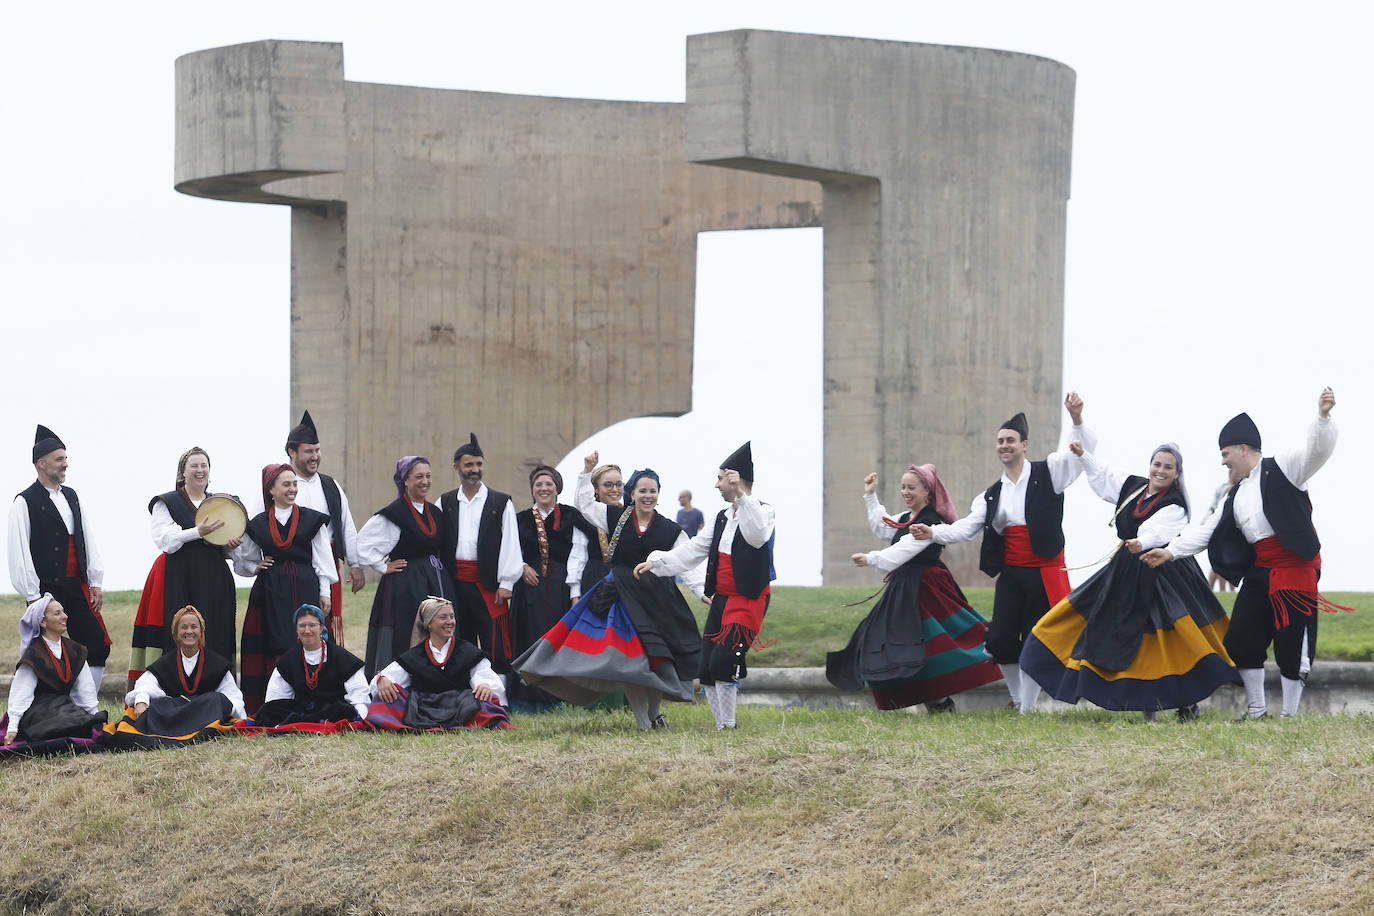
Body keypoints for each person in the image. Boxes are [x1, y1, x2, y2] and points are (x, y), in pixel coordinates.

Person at [1143, 389, 1345, 718]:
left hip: (1294, 569)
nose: (1222, 461)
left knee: (1291, 646)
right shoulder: (1234, 494)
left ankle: (1290, 716)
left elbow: (1316, 452)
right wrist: (1169, 552)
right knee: (1239, 641)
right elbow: (1208, 529)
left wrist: (1322, 418)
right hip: (1260, 570)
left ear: (1242, 449)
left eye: (1225, 454)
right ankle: (1256, 710)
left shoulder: (1284, 467)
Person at [1020, 442, 1239, 720]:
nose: (1160, 471)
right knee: (1069, 623)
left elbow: (1159, 531)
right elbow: (1104, 476)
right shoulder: (1134, 486)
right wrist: (1083, 455)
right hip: (1124, 571)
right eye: (1157, 464)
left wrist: (1141, 541)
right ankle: (1026, 708)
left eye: (1168, 467)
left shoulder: (1176, 505)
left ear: (1176, 474)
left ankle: (1183, 704)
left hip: (1166, 571)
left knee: (1170, 642)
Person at [913, 393, 1096, 713]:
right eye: (1000, 441)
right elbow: (967, 527)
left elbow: (1079, 455)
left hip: (1045, 572)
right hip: (1012, 574)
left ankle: (1027, 709)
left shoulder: (1049, 472)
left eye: (1010, 440)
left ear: (1024, 445)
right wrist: (933, 532)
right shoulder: (991, 495)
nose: (1004, 445)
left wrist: (1077, 420)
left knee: (1039, 641)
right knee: (999, 640)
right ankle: (1019, 700)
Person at [515, 454, 704, 730]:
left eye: (652, 491)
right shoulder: (615, 516)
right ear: (633, 493)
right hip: (623, 598)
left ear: (659, 494)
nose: (647, 495)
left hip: (657, 599)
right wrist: (586, 473)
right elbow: (585, 505)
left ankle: (654, 714)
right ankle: (643, 722)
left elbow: (688, 561)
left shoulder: (670, 529)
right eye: (642, 490)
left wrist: (701, 591)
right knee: (630, 662)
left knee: (656, 659)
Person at [828, 464, 1003, 713]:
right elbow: (883, 527)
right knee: (894, 642)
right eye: (903, 487)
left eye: (911, 487)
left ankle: (947, 700)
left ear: (927, 492)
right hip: (905, 589)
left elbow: (903, 551)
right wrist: (870, 496)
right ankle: (937, 702)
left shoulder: (929, 521)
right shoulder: (905, 519)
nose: (905, 492)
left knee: (934, 644)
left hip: (927, 591)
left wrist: (871, 559)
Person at [635, 442, 775, 730]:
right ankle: (722, 726)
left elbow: (758, 535)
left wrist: (742, 497)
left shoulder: (763, 510)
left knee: (725, 660)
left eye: (720, 479)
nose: (716, 485)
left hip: (748, 598)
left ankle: (730, 725)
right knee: (708, 666)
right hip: (722, 599)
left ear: (735, 478)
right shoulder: (722, 517)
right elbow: (695, 549)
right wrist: (658, 561)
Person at [8, 425, 111, 691]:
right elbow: (18, 551)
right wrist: (33, 596)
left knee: (96, 644)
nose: (65, 464)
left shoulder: (71, 496)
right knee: (46, 653)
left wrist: (95, 580)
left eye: (65, 458)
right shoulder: (24, 501)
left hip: (76, 585)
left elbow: (86, 537)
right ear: (42, 464)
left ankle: (87, 705)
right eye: (59, 459)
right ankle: (49, 708)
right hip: (45, 592)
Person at [129, 447, 242, 687]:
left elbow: (228, 548)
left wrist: (232, 546)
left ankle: (215, 690)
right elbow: (165, 541)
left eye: (204, 466)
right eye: (194, 466)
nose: (200, 470)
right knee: (179, 632)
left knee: (216, 632)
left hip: (214, 578)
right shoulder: (167, 502)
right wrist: (197, 532)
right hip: (178, 576)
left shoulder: (220, 503)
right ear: (183, 472)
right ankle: (172, 689)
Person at [234, 464, 337, 715]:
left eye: (294, 484)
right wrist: (254, 567)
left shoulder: (312, 519)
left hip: (305, 587)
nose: (292, 489)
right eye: (286, 484)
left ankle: (316, 701)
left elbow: (322, 558)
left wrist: (325, 592)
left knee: (309, 638)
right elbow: (242, 559)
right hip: (270, 592)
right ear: (271, 490)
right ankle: (273, 705)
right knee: (273, 643)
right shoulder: (257, 524)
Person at [507, 465, 596, 712]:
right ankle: (526, 700)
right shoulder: (520, 519)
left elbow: (591, 544)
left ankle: (560, 698)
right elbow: (507, 549)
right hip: (529, 588)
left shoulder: (570, 515)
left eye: (548, 484)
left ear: (557, 488)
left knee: (559, 639)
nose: (544, 489)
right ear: (532, 490)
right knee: (529, 638)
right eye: (538, 485)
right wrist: (521, 566)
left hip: (560, 586)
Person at [437, 433, 523, 679]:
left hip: (489, 586)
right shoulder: (446, 502)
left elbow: (510, 544)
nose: (475, 470)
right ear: (457, 468)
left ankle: (499, 696)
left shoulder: (500, 502)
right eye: (469, 465)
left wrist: (507, 583)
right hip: (454, 584)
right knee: (458, 637)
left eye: (479, 464)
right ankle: (463, 690)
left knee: (495, 641)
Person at [358, 457, 449, 678]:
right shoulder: (394, 514)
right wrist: (383, 566)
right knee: (406, 628)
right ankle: (401, 681)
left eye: (428, 476)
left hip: (435, 579)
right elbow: (362, 543)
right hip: (405, 583)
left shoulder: (435, 512)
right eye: (418, 476)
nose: (425, 481)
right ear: (405, 480)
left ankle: (437, 676)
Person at [107, 606, 246, 750]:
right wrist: (141, 701)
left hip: (204, 713)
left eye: (194, 627)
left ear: (201, 632)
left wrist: (225, 709)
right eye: (184, 627)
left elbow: (233, 697)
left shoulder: (217, 664)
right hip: (174, 715)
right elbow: (146, 684)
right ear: (176, 633)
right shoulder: (165, 663)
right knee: (159, 704)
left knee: (215, 700)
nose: (189, 631)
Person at [285, 411, 367, 644]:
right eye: (308, 451)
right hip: (295, 562)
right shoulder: (280, 483)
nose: (315, 456)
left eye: (317, 450)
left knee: (328, 620)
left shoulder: (330, 485)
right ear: (292, 452)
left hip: (329, 561)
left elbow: (346, 524)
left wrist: (356, 564)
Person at [369, 597, 510, 730]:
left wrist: (485, 685)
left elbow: (484, 676)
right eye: (443, 617)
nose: (450, 622)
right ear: (429, 623)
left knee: (487, 704)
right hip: (421, 708)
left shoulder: (468, 651)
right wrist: (383, 680)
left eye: (452, 616)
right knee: (384, 701)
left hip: (462, 706)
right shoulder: (414, 655)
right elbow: (385, 678)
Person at [3, 594, 105, 748]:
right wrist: (12, 728)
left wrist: (95, 719)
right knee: (62, 724)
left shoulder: (76, 650)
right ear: (43, 622)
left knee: (79, 722)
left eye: (63, 612)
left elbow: (85, 691)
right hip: (38, 712)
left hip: (66, 707)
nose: (65, 616)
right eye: (57, 613)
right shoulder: (33, 655)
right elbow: (22, 694)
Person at [254, 604, 370, 727]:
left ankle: (303, 723)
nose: (307, 630)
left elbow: (359, 696)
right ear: (296, 629)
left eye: (312, 625)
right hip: (301, 710)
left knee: (344, 711)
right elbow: (275, 698)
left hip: (332, 710)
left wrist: (360, 719)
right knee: (268, 710)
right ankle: (308, 722)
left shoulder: (341, 658)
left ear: (321, 628)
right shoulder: (288, 660)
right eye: (302, 626)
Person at [569, 461, 623, 595]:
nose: (615, 489)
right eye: (608, 485)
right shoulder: (585, 517)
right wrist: (575, 593)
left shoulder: (630, 515)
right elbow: (578, 555)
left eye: (618, 484)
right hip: (595, 580)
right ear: (596, 489)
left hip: (624, 582)